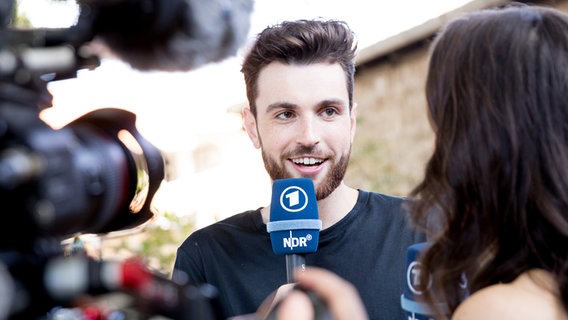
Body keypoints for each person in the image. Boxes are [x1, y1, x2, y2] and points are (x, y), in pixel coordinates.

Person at [272, 3, 568, 320]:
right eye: (286, 114)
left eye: (443, 124)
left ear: (485, 140)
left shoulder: (502, 310)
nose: (437, 146)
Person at [172, 18, 426, 319]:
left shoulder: (423, 232)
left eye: (328, 111)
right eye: (285, 114)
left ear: (351, 122)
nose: (309, 137)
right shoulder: (205, 257)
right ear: (252, 128)